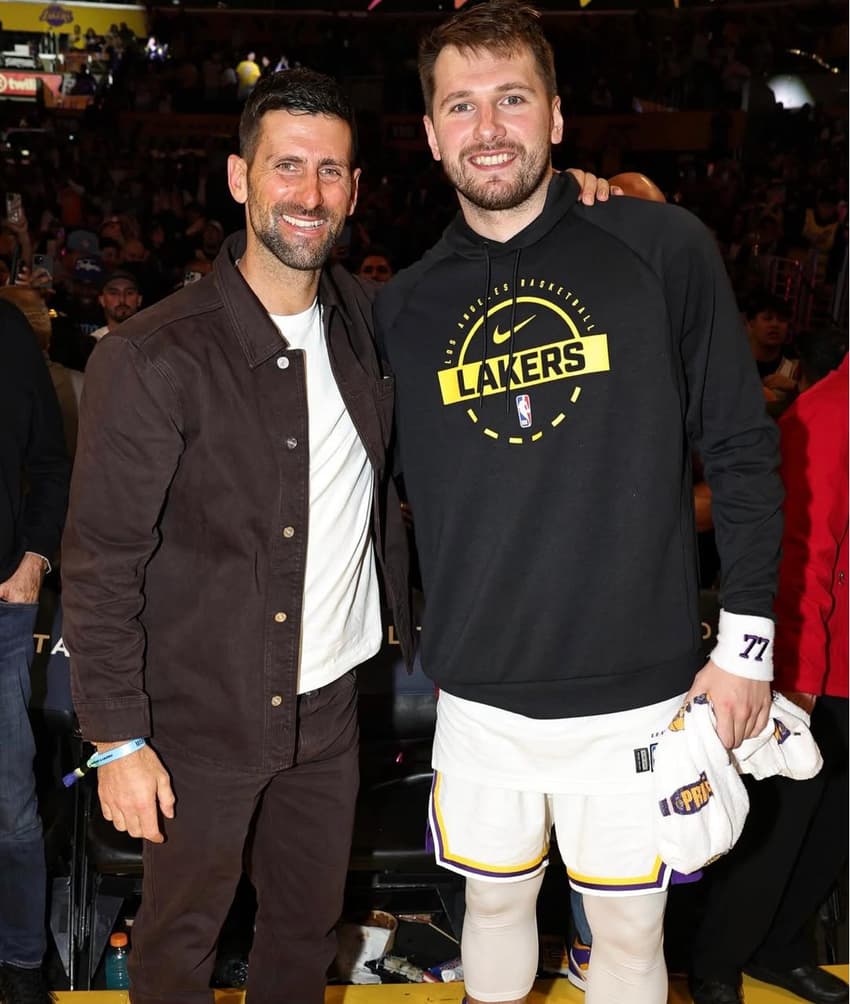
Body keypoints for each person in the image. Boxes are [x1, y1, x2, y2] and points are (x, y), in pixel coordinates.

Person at [375, 4, 783, 1004]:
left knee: (632, 932)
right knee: (491, 910)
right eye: (460, 106)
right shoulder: (401, 307)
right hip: (479, 689)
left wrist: (746, 648)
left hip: (639, 685)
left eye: (512, 98)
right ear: (429, 133)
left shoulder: (661, 246)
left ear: (556, 116)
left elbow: (741, 447)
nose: (488, 127)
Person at [61, 69, 417, 1004]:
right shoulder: (150, 356)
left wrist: (587, 201)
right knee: (178, 945)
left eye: (331, 171)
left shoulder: (369, 322)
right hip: (198, 714)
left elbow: (482, 269)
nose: (310, 193)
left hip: (330, 707)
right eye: (286, 166)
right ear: (238, 177)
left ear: (354, 189)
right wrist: (116, 739)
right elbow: (101, 564)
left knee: (303, 936)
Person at [688, 329, 849, 1004]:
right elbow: (801, 556)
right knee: (775, 832)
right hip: (817, 670)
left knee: (832, 836)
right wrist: (800, 681)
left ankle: (781, 949)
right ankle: (717, 962)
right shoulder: (829, 412)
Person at [0, 298, 70, 1004]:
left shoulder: (7, 332)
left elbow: (51, 460)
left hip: (0, 608)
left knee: (11, 806)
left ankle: (21, 963)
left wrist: (34, 560)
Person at [90, 268, 143, 341]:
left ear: (139, 300)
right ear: (102, 300)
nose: (122, 300)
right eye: (114, 293)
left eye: (129, 293)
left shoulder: (153, 340)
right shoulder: (95, 342)